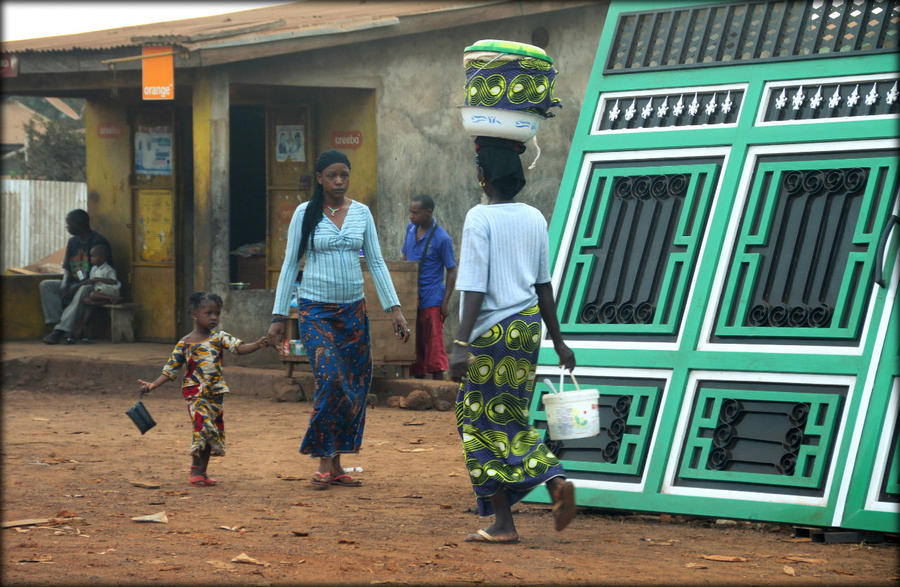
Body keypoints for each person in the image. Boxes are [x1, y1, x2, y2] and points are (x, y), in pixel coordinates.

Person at [449, 136, 577, 544]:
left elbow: (472, 286)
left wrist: (461, 343)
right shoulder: (535, 217)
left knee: (476, 423)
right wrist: (559, 342)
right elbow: (544, 287)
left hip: (491, 332)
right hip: (526, 329)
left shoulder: (479, 218)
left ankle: (510, 516)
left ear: (482, 175)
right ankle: (547, 484)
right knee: (509, 416)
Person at [267, 149, 410, 490]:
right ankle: (322, 460)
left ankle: (337, 464)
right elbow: (290, 264)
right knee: (330, 379)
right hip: (315, 310)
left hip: (353, 312)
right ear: (319, 178)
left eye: (344, 175)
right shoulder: (305, 214)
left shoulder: (361, 213)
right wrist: (278, 315)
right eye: (332, 175)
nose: (339, 181)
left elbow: (375, 262)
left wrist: (395, 309)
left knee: (353, 387)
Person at [137, 292, 268, 487]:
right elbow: (170, 368)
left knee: (212, 431)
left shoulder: (220, 338)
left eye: (217, 313)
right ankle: (195, 470)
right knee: (203, 427)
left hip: (215, 394)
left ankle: (202, 472)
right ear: (195, 314)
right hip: (195, 394)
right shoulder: (185, 343)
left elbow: (239, 348)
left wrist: (258, 344)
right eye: (209, 313)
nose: (214, 317)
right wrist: (153, 385)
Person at [402, 194, 457, 379]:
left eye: (415, 213)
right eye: (410, 212)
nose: (411, 216)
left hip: (432, 297)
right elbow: (404, 259)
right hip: (412, 297)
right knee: (414, 341)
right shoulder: (410, 230)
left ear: (428, 213)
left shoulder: (442, 238)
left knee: (434, 342)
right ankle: (418, 383)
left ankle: (438, 385)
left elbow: (451, 270)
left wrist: (445, 302)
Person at [40, 209, 112, 345]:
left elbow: (96, 276)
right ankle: (56, 323)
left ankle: (60, 331)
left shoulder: (98, 242)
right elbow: (67, 267)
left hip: (95, 284)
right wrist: (65, 284)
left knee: (83, 290)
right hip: (76, 282)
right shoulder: (73, 242)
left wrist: (76, 287)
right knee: (46, 285)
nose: (67, 227)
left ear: (80, 224)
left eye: (69, 224)